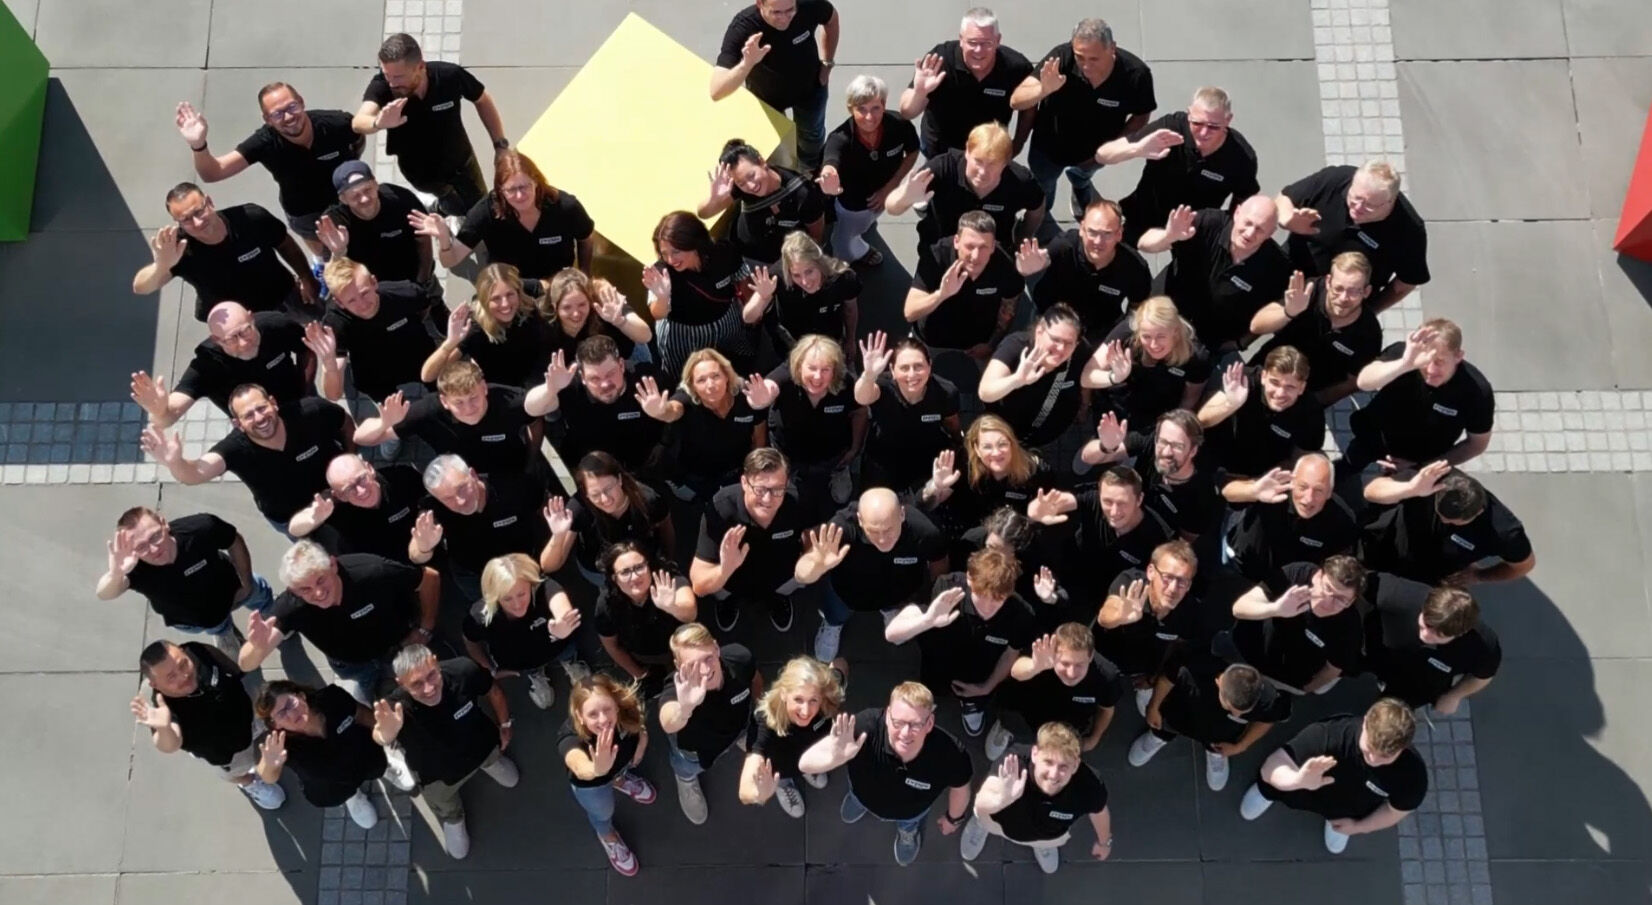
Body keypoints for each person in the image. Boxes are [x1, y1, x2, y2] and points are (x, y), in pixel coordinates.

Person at [175, 83, 365, 256]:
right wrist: (198, 145)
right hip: (304, 211)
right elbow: (213, 173)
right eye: (277, 114)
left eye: (292, 107)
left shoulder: (335, 122)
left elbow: (359, 137)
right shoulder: (264, 143)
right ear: (267, 119)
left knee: (363, 241)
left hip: (347, 197)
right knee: (326, 253)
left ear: (301, 102)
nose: (289, 117)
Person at [140, 384, 355, 537]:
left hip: (342, 493)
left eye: (261, 408)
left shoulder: (310, 411)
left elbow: (344, 422)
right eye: (248, 416)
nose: (259, 418)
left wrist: (350, 458)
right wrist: (175, 462)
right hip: (290, 517)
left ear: (273, 403)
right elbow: (195, 474)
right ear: (238, 424)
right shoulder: (235, 449)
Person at [798, 682, 974, 867]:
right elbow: (805, 764)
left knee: (909, 822)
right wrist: (835, 756)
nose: (905, 733)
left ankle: (908, 832)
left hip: (910, 812)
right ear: (888, 716)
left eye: (915, 724)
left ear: (929, 723)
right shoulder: (865, 727)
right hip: (862, 792)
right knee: (857, 796)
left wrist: (953, 819)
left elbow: (961, 788)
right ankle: (858, 802)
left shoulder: (950, 754)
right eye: (898, 722)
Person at [239, 541, 441, 700]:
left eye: (321, 579)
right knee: (370, 689)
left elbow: (429, 578)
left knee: (424, 686)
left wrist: (425, 627)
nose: (318, 592)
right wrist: (257, 646)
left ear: (333, 565)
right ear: (293, 590)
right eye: (305, 589)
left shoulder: (370, 571)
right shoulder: (292, 606)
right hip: (352, 663)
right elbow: (246, 664)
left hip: (400, 644)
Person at [374, 644, 519, 859]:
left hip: (483, 747)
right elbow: (379, 734)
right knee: (444, 802)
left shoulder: (463, 670)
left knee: (509, 776)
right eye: (416, 684)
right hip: (439, 777)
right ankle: (454, 818)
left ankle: (492, 764)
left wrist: (504, 724)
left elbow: (493, 691)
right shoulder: (396, 710)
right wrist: (386, 735)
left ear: (435, 661)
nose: (429, 688)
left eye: (431, 675)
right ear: (401, 683)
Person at [1010, 18, 1156, 220]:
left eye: (1094, 59)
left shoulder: (1135, 75)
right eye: (1080, 57)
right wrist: (1043, 90)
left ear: (1112, 48)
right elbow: (1017, 100)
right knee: (1043, 187)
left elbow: (1141, 114)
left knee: (1082, 177)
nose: (1086, 65)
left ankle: (1080, 189)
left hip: (1094, 154)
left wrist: (1114, 147)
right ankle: (1043, 215)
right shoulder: (1061, 59)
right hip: (1048, 148)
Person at [1240, 698, 1428, 854]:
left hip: (1347, 808)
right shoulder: (1331, 733)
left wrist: (1359, 827)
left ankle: (1338, 824)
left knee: (1344, 820)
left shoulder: (1413, 776)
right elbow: (1271, 766)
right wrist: (1297, 780)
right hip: (1305, 788)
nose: (1373, 759)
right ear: (1365, 722)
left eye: (1385, 756)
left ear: (1403, 749)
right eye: (1369, 748)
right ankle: (1267, 793)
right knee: (1275, 784)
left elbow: (1396, 811)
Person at [885, 546, 1038, 738]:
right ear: (969, 579)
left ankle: (973, 703)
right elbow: (892, 634)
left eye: (997, 600)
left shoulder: (1021, 614)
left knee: (980, 691)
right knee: (932, 685)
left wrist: (986, 687)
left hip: (980, 670)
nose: (988, 607)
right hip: (939, 661)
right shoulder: (945, 589)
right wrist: (927, 620)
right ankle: (930, 699)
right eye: (981, 596)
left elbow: (1011, 653)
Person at [353, 34, 506, 216]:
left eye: (399, 76)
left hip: (462, 160)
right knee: (456, 206)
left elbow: (482, 100)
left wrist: (500, 145)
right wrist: (378, 122)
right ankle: (438, 207)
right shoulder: (383, 87)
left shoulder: (449, 76)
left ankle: (445, 210)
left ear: (420, 66)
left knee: (480, 204)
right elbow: (358, 122)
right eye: (387, 75)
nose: (392, 83)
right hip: (422, 172)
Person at [793, 487, 949, 662]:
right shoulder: (841, 529)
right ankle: (833, 624)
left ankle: (893, 615)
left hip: (897, 595)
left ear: (902, 514)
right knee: (836, 613)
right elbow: (801, 575)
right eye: (874, 531)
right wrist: (817, 565)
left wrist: (927, 600)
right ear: (860, 519)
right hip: (847, 594)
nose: (882, 539)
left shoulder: (924, 532)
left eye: (889, 530)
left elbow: (939, 563)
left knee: (895, 609)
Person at [95, 507, 274, 656]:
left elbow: (233, 540)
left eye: (155, 536)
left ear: (164, 524)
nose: (153, 549)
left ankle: (276, 618)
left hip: (234, 588)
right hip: (195, 619)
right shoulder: (135, 567)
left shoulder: (200, 528)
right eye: (141, 547)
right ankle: (224, 633)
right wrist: (115, 573)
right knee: (218, 626)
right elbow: (104, 593)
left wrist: (247, 581)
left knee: (260, 595)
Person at [133, 183, 321, 321]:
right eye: (186, 220)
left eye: (199, 212)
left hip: (285, 295)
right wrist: (161, 266)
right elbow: (141, 287)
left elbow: (285, 245)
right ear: (177, 222)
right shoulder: (178, 249)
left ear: (209, 202)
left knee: (326, 325)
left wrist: (306, 277)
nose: (197, 223)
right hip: (239, 321)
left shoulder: (250, 218)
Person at [133, 640, 285, 809]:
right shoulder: (162, 708)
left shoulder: (199, 651)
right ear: (155, 685)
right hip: (227, 751)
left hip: (250, 717)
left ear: (184, 652)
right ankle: (248, 782)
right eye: (171, 677)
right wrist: (164, 728)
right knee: (235, 772)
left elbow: (238, 669)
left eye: (183, 664)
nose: (183, 676)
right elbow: (170, 744)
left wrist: (258, 647)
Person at [1107, 87, 1260, 246]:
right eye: (1197, 123)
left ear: (1228, 120)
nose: (1203, 133)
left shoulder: (1241, 157)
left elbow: (1243, 200)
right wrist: (1137, 150)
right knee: (1116, 255)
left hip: (1193, 226)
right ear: (1189, 114)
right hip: (1145, 210)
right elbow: (1109, 151)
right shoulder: (1171, 127)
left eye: (1213, 126)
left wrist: (1229, 232)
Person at [1137, 197, 1292, 352]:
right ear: (1237, 213)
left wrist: (1239, 344)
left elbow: (1269, 311)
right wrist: (1169, 236)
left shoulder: (1277, 268)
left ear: (1271, 233)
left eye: (1260, 229)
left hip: (1205, 344)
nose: (1250, 233)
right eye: (1248, 223)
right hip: (1159, 319)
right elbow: (1143, 244)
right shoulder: (1208, 222)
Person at [252, 679, 412, 828]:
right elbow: (267, 776)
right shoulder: (279, 743)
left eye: (290, 704)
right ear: (275, 724)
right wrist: (270, 764)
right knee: (338, 792)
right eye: (281, 714)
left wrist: (384, 733)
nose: (292, 714)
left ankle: (387, 767)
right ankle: (353, 797)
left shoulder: (332, 697)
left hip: (363, 755)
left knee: (377, 766)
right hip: (331, 784)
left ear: (301, 695)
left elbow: (362, 715)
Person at [130, 301, 314, 429]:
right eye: (231, 339)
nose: (243, 343)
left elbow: (307, 348)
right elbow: (169, 416)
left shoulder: (275, 324)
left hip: (298, 402)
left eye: (245, 331)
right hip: (256, 425)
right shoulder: (207, 365)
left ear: (251, 318)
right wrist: (159, 409)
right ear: (216, 340)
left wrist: (305, 390)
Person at [415, 149, 595, 279]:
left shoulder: (565, 207)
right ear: (500, 191)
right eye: (511, 190)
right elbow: (450, 260)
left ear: (536, 183)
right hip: (512, 287)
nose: (519, 195)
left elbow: (585, 238)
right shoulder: (485, 212)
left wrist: (585, 273)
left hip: (556, 284)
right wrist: (444, 238)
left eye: (524, 186)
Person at [1275, 160, 1428, 312]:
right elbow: (1285, 197)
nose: (1358, 208)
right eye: (1355, 198)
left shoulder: (1409, 231)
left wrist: (1369, 311)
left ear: (1390, 202)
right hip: (1290, 272)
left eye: (1369, 206)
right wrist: (1287, 220)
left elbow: (1406, 283)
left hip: (1340, 303)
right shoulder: (1335, 179)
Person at [356, 359, 548, 479]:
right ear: (444, 401)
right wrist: (384, 423)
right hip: (459, 475)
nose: (469, 408)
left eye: (473, 398)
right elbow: (361, 438)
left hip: (510, 466)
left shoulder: (510, 401)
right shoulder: (427, 411)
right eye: (459, 402)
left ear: (485, 388)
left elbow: (535, 419)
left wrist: (532, 460)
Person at [691, 448, 815, 633]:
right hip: (731, 578)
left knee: (795, 582)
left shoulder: (798, 500)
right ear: (744, 482)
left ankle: (778, 598)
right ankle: (727, 600)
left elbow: (813, 539)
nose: (768, 499)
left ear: (786, 484)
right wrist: (724, 570)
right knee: (719, 590)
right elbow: (699, 585)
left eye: (777, 489)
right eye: (760, 489)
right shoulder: (721, 508)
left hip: (781, 575)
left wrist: (814, 558)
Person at [961, 723, 1113, 873]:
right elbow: (981, 800)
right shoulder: (1013, 763)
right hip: (998, 823)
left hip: (1049, 835)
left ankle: (1042, 845)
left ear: (1075, 765)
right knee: (983, 815)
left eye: (1063, 767)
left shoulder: (1090, 786)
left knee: (1047, 840)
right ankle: (981, 826)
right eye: (1048, 762)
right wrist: (1002, 799)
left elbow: (1099, 812)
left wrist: (1104, 842)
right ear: (1034, 754)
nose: (1053, 774)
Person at [710, 0, 841, 170]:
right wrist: (746, 63)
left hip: (811, 89)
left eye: (790, 10)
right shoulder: (744, 27)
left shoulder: (809, 5)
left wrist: (827, 62)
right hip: (768, 98)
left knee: (812, 139)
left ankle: (810, 171)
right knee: (778, 149)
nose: (784, 18)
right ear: (760, 4)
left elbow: (831, 18)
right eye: (776, 12)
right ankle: (788, 177)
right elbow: (716, 90)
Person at [978, 303, 1129, 450]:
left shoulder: (1081, 351)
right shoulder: (1016, 346)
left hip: (1049, 428)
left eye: (1068, 343)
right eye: (1055, 340)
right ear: (1039, 332)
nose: (1061, 349)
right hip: (1005, 428)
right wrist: (1017, 379)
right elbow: (985, 392)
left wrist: (1084, 406)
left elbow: (1085, 379)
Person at [634, 348, 777, 504]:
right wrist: (660, 411)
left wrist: (753, 474)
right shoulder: (687, 398)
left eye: (716, 376)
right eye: (701, 380)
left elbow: (759, 437)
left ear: (727, 377)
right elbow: (673, 410)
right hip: (696, 480)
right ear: (692, 386)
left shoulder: (746, 396)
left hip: (736, 474)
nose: (710, 385)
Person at [1349, 319, 1494, 472]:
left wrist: (1423, 467)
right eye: (1425, 360)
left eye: (1439, 362)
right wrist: (1405, 364)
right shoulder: (1405, 355)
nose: (1430, 370)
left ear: (1458, 356)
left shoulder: (1476, 392)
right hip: (1375, 434)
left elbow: (1476, 445)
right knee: (1349, 466)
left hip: (1421, 458)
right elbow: (1364, 383)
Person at [1129, 659, 1291, 792]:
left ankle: (1214, 753)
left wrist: (1241, 746)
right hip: (1179, 714)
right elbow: (1167, 679)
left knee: (1218, 743)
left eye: (1243, 712)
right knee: (1166, 725)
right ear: (1219, 682)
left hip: (1219, 736)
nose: (1237, 716)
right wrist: (1154, 706)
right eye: (1231, 708)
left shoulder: (1267, 698)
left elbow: (1268, 719)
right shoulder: (1193, 666)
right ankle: (1159, 736)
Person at [657, 623, 762, 825]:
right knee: (686, 768)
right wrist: (685, 708)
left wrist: (758, 706)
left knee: (753, 742)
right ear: (679, 665)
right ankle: (686, 781)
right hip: (696, 752)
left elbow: (754, 677)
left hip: (739, 729)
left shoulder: (739, 657)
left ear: (716, 647)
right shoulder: (677, 689)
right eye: (693, 665)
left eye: (708, 658)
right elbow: (667, 722)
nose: (705, 670)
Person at [1360, 465, 1536, 586]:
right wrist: (1411, 489)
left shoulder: (1504, 531)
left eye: (1452, 522)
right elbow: (1371, 491)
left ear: (1479, 512)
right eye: (1440, 515)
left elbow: (1523, 566)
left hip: (1426, 576)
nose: (1444, 522)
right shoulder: (1435, 477)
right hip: (1384, 542)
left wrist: (1480, 576)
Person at [886, 122, 1044, 255]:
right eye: (978, 161)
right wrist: (906, 197)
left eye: (993, 164)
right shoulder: (943, 168)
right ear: (968, 151)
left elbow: (1037, 207)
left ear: (1005, 162)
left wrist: (1023, 238)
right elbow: (892, 207)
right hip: (941, 247)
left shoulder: (1020, 181)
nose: (983, 172)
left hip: (990, 252)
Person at [1093, 540, 1212, 716]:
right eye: (1167, 578)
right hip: (1105, 658)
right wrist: (1120, 616)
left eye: (1182, 581)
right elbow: (1105, 617)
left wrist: (1153, 677)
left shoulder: (1190, 612)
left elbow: (1181, 647)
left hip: (1143, 666)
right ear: (1150, 572)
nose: (1173, 588)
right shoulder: (1130, 584)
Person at [411, 454, 551, 603]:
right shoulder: (433, 510)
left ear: (473, 474)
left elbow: (544, 506)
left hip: (522, 565)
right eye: (448, 498)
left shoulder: (514, 487)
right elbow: (415, 555)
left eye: (462, 488)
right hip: (475, 576)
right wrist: (424, 547)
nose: (460, 500)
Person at [1248, 252, 1383, 405]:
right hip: (1267, 371)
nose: (1343, 298)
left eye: (1353, 291)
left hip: (1307, 393)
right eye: (1338, 288)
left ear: (1366, 292)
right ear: (1328, 282)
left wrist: (1315, 404)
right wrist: (1288, 312)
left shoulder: (1369, 333)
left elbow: (1353, 381)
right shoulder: (1308, 293)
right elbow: (1256, 326)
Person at [642, 212, 764, 379]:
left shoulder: (722, 252)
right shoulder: (661, 271)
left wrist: (752, 306)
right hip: (683, 335)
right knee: (684, 375)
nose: (671, 259)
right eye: (664, 253)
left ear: (694, 243)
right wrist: (662, 296)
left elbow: (742, 276)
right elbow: (657, 313)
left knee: (741, 360)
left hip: (728, 321)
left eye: (676, 251)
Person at [557, 673, 656, 876]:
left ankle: (619, 780)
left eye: (607, 709)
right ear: (579, 716)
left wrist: (642, 743)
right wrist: (597, 770)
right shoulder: (570, 738)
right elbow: (577, 765)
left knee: (619, 772)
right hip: (593, 786)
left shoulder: (627, 710)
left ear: (616, 705)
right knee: (602, 815)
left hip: (621, 765)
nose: (603, 720)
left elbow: (640, 726)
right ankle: (608, 836)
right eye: (592, 714)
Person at [1033, 465, 1177, 604]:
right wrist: (1039, 510)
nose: (1114, 512)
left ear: (1139, 500)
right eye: (1107, 502)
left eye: (1122, 503)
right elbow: (1064, 500)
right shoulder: (1093, 499)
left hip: (1117, 597)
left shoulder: (1159, 539)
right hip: (1077, 571)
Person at [900, 8, 1034, 156]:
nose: (978, 50)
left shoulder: (1016, 67)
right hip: (941, 151)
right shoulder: (939, 60)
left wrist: (1018, 143)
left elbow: (1029, 107)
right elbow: (907, 112)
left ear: (998, 41)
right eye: (972, 42)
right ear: (961, 39)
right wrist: (920, 93)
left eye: (986, 43)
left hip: (988, 154)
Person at [819, 75, 920, 266]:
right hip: (854, 205)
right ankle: (854, 254)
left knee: (866, 224)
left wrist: (890, 187)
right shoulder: (839, 139)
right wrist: (829, 175)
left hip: (884, 195)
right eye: (861, 109)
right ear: (850, 109)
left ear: (884, 104)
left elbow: (913, 151)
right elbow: (831, 160)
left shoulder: (899, 125)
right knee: (844, 241)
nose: (869, 117)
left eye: (876, 108)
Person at [1229, 555, 1367, 696]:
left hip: (1287, 678)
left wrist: (1305, 689)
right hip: (1248, 651)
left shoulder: (1349, 626)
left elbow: (1333, 668)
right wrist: (1276, 609)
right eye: (1327, 588)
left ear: (1350, 602)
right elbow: (1239, 608)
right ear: (1317, 577)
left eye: (1341, 599)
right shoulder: (1297, 575)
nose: (1328, 601)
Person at [1362, 576, 1501, 714]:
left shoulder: (1482, 645)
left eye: (1439, 635)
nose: (1426, 635)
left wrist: (1454, 696)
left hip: (1416, 686)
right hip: (1374, 653)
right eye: (1426, 625)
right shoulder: (1403, 594)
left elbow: (1483, 675)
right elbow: (1357, 582)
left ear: (1460, 634)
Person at [316, 256, 445, 406]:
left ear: (374, 282)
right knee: (401, 421)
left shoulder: (405, 293)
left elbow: (423, 307)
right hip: (375, 375)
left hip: (419, 357)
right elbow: (334, 395)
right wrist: (328, 362)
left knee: (449, 400)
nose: (363, 304)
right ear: (339, 302)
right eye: (351, 301)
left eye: (364, 293)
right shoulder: (335, 324)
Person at [463, 553, 584, 710]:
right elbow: (470, 640)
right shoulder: (481, 616)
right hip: (521, 661)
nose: (517, 604)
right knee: (530, 668)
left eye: (521, 594)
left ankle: (570, 663)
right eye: (507, 598)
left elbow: (559, 602)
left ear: (531, 584)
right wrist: (488, 669)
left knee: (567, 651)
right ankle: (536, 674)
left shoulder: (544, 588)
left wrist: (562, 626)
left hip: (557, 646)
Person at [987, 623, 1125, 760]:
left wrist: (1094, 738)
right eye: (1065, 663)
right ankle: (1006, 729)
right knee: (1009, 701)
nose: (1071, 673)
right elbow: (1015, 671)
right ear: (1054, 653)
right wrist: (1035, 667)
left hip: (1067, 723)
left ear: (1090, 656)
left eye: (1079, 665)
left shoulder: (1107, 676)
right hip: (1032, 705)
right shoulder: (1043, 654)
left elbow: (1106, 709)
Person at [1078, 410, 1221, 541]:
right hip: (1119, 514)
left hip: (1152, 542)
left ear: (1193, 451)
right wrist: (1107, 447)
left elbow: (1187, 539)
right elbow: (1087, 457)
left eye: (1178, 446)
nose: (1166, 452)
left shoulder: (1202, 495)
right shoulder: (1150, 442)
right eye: (1162, 442)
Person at [1019, 200, 1152, 342]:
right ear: (1082, 229)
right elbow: (1034, 263)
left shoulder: (1134, 268)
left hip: (1097, 330)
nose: (1098, 241)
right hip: (1052, 317)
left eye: (1107, 234)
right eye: (1092, 232)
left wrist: (1124, 336)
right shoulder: (1063, 247)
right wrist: (1026, 268)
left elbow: (1137, 306)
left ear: (1119, 234)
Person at [904, 210, 1026, 361]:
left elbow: (1008, 308)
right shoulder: (936, 257)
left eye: (983, 247)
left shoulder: (1005, 265)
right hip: (932, 340)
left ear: (993, 246)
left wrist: (991, 344)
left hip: (977, 344)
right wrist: (941, 294)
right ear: (956, 241)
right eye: (969, 246)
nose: (975, 256)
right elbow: (910, 312)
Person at [540, 451, 675, 587]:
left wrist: (667, 562)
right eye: (595, 494)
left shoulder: (647, 500)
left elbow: (666, 528)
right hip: (600, 572)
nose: (605, 499)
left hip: (642, 566)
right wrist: (558, 536)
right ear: (585, 494)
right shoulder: (578, 509)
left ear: (620, 479)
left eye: (609, 488)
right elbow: (548, 566)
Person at [765, 334, 865, 516]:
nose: (818, 377)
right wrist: (759, 396)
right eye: (811, 368)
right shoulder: (785, 378)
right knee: (789, 502)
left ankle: (840, 473)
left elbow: (860, 411)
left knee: (842, 497)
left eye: (825, 370)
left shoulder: (846, 383)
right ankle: (785, 476)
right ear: (798, 365)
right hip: (789, 455)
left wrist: (854, 449)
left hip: (833, 455)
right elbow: (766, 390)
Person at [539, 336, 667, 478]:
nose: (605, 384)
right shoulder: (568, 390)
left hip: (646, 468)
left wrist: (664, 443)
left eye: (610, 374)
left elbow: (678, 410)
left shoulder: (648, 381)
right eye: (595, 378)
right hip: (592, 477)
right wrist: (567, 482)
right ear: (582, 377)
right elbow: (546, 439)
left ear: (621, 365)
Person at [853, 332, 961, 495]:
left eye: (918, 366)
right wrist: (869, 375)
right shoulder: (882, 386)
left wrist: (960, 444)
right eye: (904, 368)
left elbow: (952, 424)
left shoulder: (945, 391)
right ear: (892, 370)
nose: (912, 375)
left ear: (929, 365)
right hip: (884, 462)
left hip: (927, 460)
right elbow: (861, 398)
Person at [739, 656, 848, 817]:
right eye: (798, 699)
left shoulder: (828, 695)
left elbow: (841, 664)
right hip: (781, 764)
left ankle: (809, 768)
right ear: (784, 694)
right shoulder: (765, 721)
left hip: (812, 749)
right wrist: (758, 794)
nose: (805, 711)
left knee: (809, 761)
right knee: (776, 776)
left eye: (813, 700)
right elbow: (745, 789)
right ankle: (783, 784)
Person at [1223, 453, 1358, 583]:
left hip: (1290, 585)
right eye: (1302, 487)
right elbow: (1227, 491)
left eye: (1318, 490)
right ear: (1292, 482)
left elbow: (1339, 570)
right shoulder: (1272, 489)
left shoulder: (1342, 520)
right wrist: (1253, 492)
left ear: (1330, 492)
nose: (1308, 499)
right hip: (1239, 567)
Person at [421, 263, 559, 390]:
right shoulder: (476, 327)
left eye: (510, 294)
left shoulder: (527, 304)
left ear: (518, 291)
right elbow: (428, 376)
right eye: (495, 299)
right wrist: (451, 342)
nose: (505, 304)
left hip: (539, 378)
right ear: (484, 299)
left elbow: (552, 285)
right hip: (503, 393)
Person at [922, 414, 1059, 538]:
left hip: (1016, 538)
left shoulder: (1035, 470)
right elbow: (925, 505)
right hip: (970, 540)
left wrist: (1038, 517)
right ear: (976, 449)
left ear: (1013, 445)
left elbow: (1055, 518)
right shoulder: (962, 466)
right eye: (987, 447)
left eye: (1002, 444)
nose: (996, 453)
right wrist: (936, 487)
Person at [1197, 351, 1326, 480]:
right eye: (1275, 383)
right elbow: (1201, 421)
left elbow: (1300, 460)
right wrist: (1230, 404)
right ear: (1264, 376)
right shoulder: (1244, 380)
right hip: (1211, 454)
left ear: (1302, 387)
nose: (1280, 393)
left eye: (1290, 387)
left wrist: (1261, 481)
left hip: (1258, 475)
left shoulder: (1311, 413)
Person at [700, 139, 826, 266]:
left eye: (752, 175)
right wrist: (714, 198)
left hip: (780, 262)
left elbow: (816, 235)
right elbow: (703, 214)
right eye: (741, 183)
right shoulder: (740, 185)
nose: (750, 186)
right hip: (743, 251)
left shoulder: (803, 194)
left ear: (761, 162)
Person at [594, 542, 699, 690]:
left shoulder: (669, 580)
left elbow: (690, 614)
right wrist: (640, 673)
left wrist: (672, 606)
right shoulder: (606, 604)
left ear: (649, 566)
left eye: (639, 567)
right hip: (646, 656)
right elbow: (611, 645)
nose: (634, 577)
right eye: (625, 572)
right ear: (614, 578)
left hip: (684, 647)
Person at [287, 454, 424, 563]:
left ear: (369, 468)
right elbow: (295, 529)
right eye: (349, 489)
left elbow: (429, 500)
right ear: (339, 495)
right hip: (380, 567)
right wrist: (313, 519)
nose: (361, 490)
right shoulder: (330, 506)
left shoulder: (403, 478)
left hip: (418, 548)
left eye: (361, 479)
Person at [1100, 296, 1212, 427]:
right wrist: (1114, 377)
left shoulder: (1196, 357)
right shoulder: (1127, 333)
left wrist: (1172, 426)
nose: (1153, 345)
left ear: (1175, 332)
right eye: (1146, 336)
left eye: (1161, 336)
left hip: (1158, 418)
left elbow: (1189, 399)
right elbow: (1088, 376)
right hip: (1118, 409)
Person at [319, 161, 433, 285]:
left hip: (411, 278)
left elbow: (424, 239)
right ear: (343, 199)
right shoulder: (335, 222)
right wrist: (339, 252)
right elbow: (331, 272)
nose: (364, 199)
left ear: (376, 184)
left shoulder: (401, 199)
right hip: (368, 289)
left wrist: (423, 280)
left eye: (367, 189)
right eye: (355, 195)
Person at [537, 268, 653, 364]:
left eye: (582, 305)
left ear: (590, 301)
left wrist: (620, 321)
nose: (576, 313)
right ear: (554, 306)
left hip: (626, 360)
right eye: (567, 307)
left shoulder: (605, 301)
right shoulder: (542, 320)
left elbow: (646, 336)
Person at [772, 231, 859, 348]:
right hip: (794, 344)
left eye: (809, 271)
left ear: (820, 263)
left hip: (832, 341)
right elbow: (749, 317)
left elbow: (850, 310)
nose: (805, 281)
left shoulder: (843, 278)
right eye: (796, 275)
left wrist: (850, 340)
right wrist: (762, 297)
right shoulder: (776, 278)